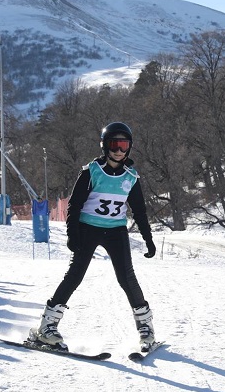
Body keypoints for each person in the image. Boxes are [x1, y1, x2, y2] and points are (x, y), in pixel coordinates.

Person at [31, 122, 157, 351]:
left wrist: (148, 239)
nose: (118, 150)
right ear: (105, 146)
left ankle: (146, 328)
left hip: (116, 231)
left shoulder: (131, 176)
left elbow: (139, 211)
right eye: (114, 144)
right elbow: (75, 204)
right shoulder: (92, 172)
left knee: (127, 278)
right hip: (88, 228)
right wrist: (73, 233)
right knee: (75, 275)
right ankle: (47, 327)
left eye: (123, 145)